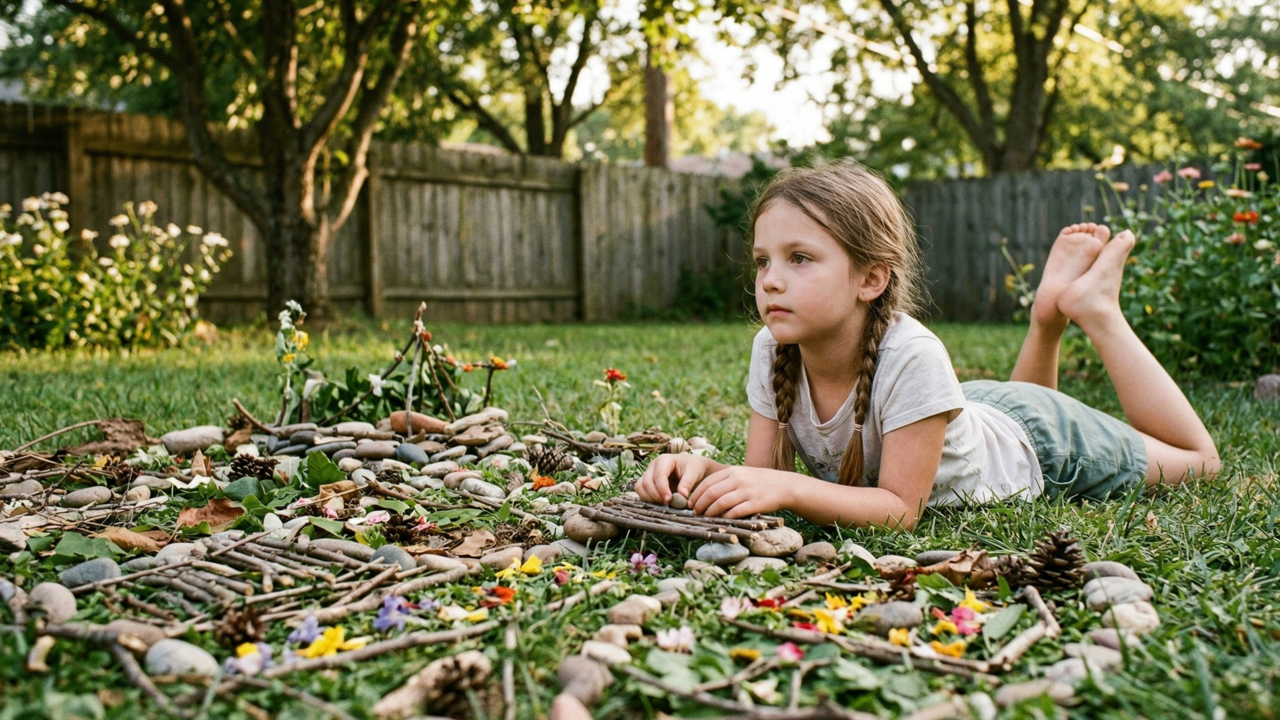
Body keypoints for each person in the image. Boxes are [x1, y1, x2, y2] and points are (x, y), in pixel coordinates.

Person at [634, 161, 1220, 530]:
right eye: (763, 260)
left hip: (1043, 443)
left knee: (1199, 462)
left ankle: (1096, 311)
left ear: (872, 278)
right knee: (1017, 406)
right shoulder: (773, 347)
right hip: (969, 411)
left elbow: (900, 511)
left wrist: (787, 487)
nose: (771, 279)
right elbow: (761, 477)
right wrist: (701, 472)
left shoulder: (912, 355)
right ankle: (1047, 318)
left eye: (800, 258)